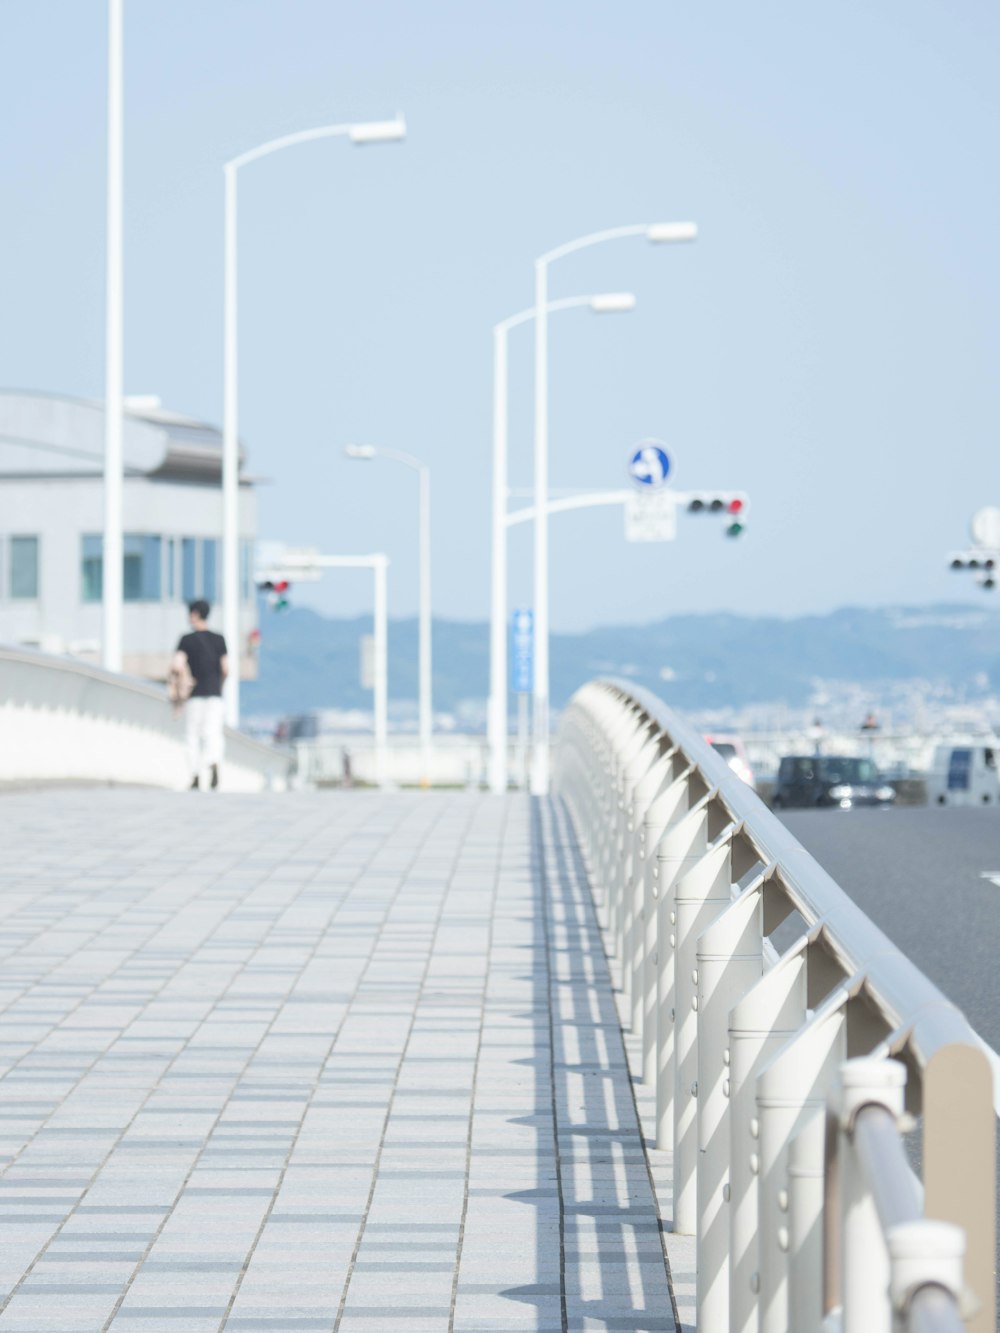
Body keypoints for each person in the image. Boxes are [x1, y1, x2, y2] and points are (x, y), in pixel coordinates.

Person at [170, 600, 228, 790]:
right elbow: (226, 669)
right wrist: (219, 685)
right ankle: (213, 761)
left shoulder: (186, 640)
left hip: (195, 693)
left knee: (192, 734)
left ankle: (195, 774)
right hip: (215, 694)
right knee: (213, 732)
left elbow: (177, 666)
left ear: (195, 614)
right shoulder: (219, 639)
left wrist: (178, 684)